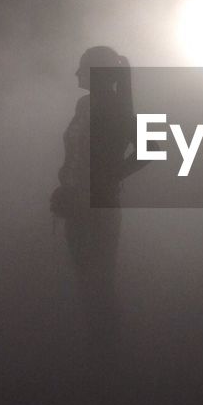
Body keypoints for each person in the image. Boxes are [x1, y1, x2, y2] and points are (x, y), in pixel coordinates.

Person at [53, 46, 142, 340]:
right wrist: (65, 184)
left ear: (97, 73)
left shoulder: (117, 108)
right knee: (85, 281)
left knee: (100, 281)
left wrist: (110, 177)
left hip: (99, 206)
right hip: (74, 203)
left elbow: (151, 148)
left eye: (83, 67)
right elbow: (75, 153)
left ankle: (107, 352)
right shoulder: (83, 104)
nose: (77, 73)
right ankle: (98, 348)